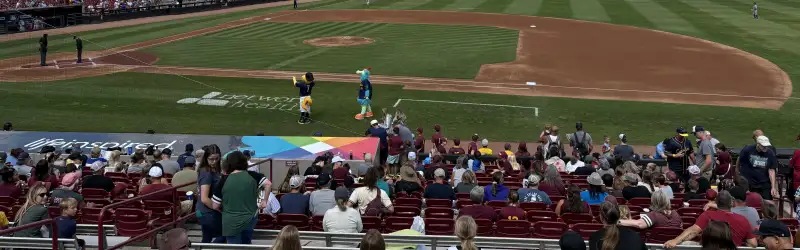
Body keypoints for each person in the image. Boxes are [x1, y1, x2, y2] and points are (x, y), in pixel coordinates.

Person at [664, 191, 757, 248]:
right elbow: (753, 244)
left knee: (685, 244)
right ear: (731, 203)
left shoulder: (707, 215)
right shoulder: (743, 219)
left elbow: (692, 232)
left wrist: (675, 241)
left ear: (716, 202)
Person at [212, 151, 261, 244]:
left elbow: (215, 206)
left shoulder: (224, 180)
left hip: (231, 221)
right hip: (248, 219)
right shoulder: (251, 177)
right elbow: (267, 184)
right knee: (246, 244)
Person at [196, 145, 224, 243]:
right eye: (211, 159)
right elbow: (204, 198)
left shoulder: (213, 170)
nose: (214, 162)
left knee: (207, 238)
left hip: (206, 211)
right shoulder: (206, 173)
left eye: (216, 158)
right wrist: (218, 208)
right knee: (223, 236)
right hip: (208, 212)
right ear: (206, 158)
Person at [737, 135, 778, 200]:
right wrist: (737, 173)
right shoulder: (747, 150)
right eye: (763, 146)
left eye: (766, 146)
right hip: (749, 183)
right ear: (758, 144)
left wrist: (773, 187)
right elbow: (739, 161)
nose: (765, 148)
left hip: (764, 183)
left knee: (767, 202)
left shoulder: (770, 153)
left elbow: (772, 170)